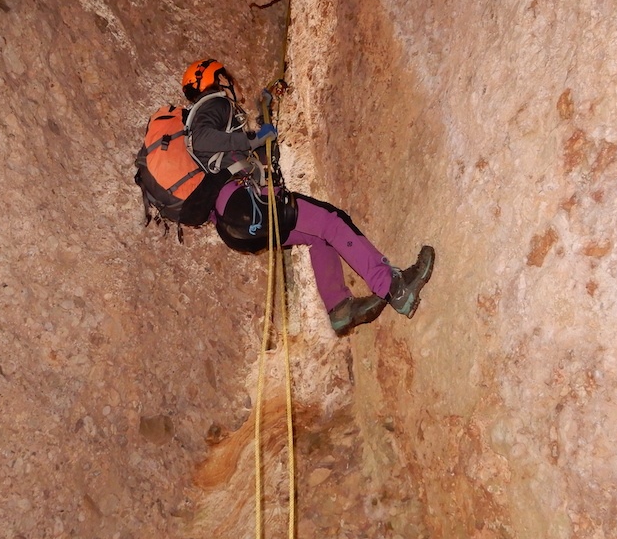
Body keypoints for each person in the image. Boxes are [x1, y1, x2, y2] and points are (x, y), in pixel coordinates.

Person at [180, 58, 435, 336]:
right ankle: (395, 288)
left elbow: (237, 155)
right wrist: (250, 139)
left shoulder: (220, 123)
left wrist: (261, 135)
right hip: (246, 205)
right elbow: (204, 139)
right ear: (215, 80)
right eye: (224, 76)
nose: (230, 81)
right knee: (333, 220)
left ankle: (340, 308)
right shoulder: (214, 103)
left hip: (236, 224)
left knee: (318, 235)